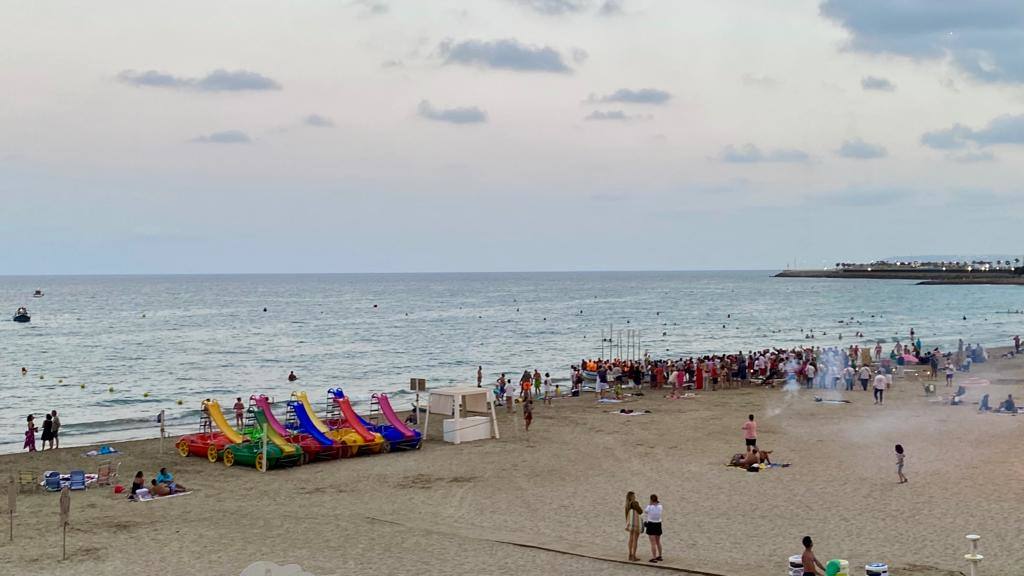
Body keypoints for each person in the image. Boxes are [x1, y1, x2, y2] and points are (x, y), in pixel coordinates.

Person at [624, 491, 644, 562]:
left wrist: (627, 522)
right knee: (635, 539)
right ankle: (634, 556)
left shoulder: (627, 504)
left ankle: (630, 554)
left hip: (630, 522)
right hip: (636, 522)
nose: (635, 497)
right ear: (631, 496)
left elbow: (626, 515)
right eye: (634, 496)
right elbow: (640, 511)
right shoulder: (634, 503)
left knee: (631, 538)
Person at [644, 494, 663, 563]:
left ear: (651, 500)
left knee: (653, 543)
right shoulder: (660, 506)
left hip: (651, 524)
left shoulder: (649, 507)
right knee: (658, 542)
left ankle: (654, 557)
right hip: (658, 524)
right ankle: (660, 555)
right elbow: (658, 506)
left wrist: (650, 504)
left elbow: (645, 511)